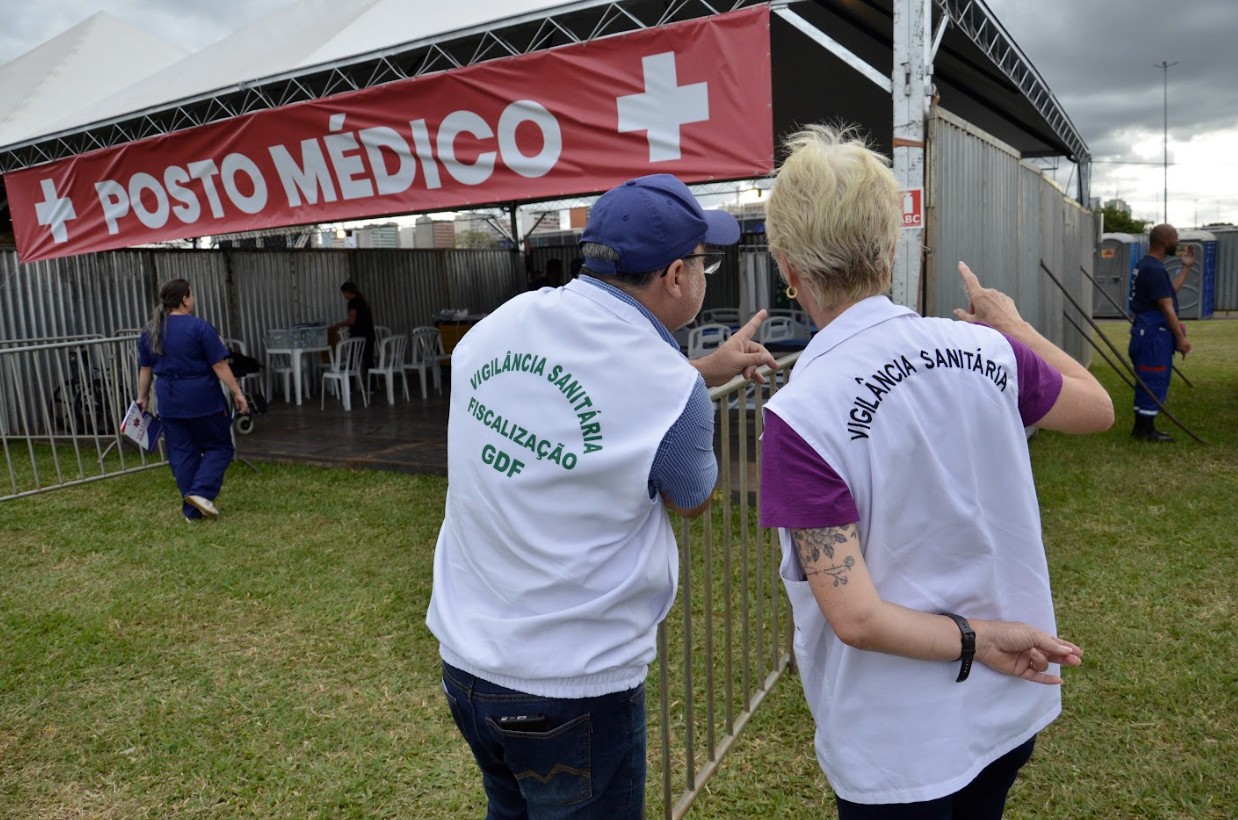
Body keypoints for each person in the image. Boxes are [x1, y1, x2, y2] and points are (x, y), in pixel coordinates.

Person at [759, 125, 1114, 819]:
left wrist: (978, 641)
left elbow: (856, 618)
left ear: (786, 266)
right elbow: (1096, 406)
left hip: (897, 744)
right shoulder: (989, 351)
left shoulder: (800, 411)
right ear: (892, 248)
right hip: (1006, 712)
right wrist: (1014, 326)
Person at [425, 173, 777, 818]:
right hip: (572, 688)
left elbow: (574, 395)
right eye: (705, 262)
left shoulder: (506, 320)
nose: (706, 275)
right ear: (676, 275)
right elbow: (690, 497)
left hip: (467, 660)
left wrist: (697, 373)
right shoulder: (669, 390)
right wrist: (694, 392)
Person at [137, 279, 248, 521]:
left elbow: (145, 369)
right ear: (185, 299)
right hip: (202, 397)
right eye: (192, 295)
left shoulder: (150, 331)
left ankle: (192, 512)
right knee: (219, 446)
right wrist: (237, 392)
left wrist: (142, 398)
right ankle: (200, 492)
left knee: (181, 453)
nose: (193, 299)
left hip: (168, 399)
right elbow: (219, 364)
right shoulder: (199, 328)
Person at [1128, 223, 1194, 442]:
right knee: (1153, 377)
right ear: (1165, 241)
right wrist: (1181, 338)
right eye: (1176, 237)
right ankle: (1145, 431)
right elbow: (1166, 307)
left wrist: (1185, 268)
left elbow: (1168, 292)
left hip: (1147, 333)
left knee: (1148, 378)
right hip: (1153, 335)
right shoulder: (1154, 269)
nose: (1178, 241)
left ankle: (1143, 427)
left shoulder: (1148, 265)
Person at [328, 281, 375, 378]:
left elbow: (352, 320)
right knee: (369, 361)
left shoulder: (353, 303)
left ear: (348, 292)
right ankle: (372, 386)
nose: (344, 296)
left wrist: (338, 325)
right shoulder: (363, 301)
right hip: (369, 334)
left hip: (358, 335)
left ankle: (350, 386)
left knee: (352, 361)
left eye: (344, 293)